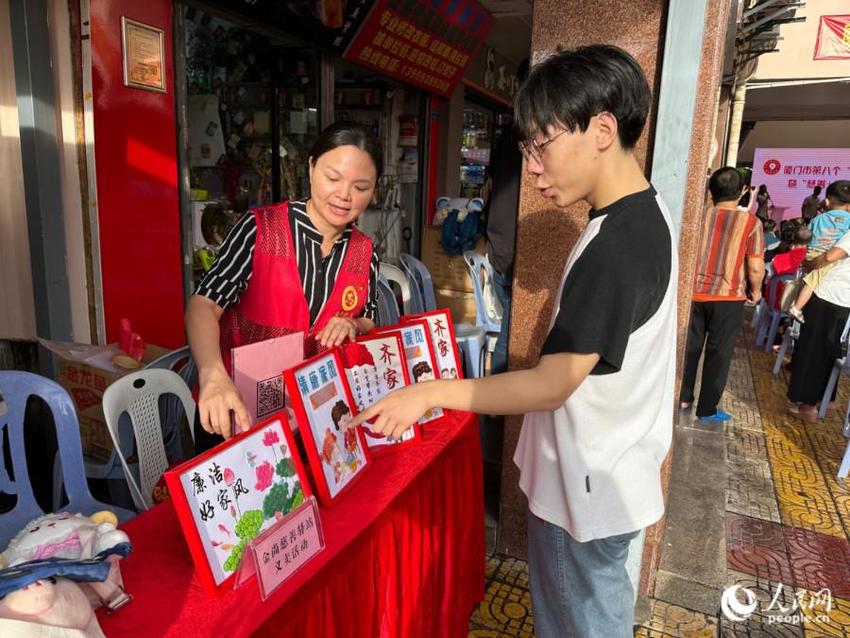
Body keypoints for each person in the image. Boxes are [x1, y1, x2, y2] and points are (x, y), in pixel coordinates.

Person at [354, 44, 677, 638]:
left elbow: (552, 383)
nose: (532, 167)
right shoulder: (636, 217)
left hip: (586, 486)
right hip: (605, 474)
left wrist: (427, 394)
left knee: (581, 623)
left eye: (541, 144)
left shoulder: (618, 246)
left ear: (602, 129)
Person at [186, 122, 382, 450]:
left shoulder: (364, 252)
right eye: (332, 178)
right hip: (237, 413)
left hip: (317, 422)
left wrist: (353, 324)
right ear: (310, 166)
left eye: (361, 187)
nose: (344, 196)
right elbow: (203, 304)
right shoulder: (259, 230)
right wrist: (212, 374)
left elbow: (371, 318)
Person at [679, 167, 765, 422]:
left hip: (693, 295)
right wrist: (756, 291)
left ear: (710, 190)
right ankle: (707, 410)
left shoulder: (696, 217)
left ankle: (682, 398)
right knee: (719, 353)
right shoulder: (751, 222)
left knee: (688, 348)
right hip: (729, 298)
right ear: (742, 192)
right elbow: (756, 266)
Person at [484, 59, 529, 374]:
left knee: (509, 334)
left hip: (501, 248)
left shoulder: (509, 133)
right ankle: (497, 411)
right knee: (511, 338)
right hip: (512, 253)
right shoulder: (524, 134)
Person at [787, 227, 850, 422]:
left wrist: (812, 263)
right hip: (845, 303)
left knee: (813, 351)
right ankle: (828, 401)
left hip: (830, 296)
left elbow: (832, 256)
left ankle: (807, 405)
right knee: (831, 351)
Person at [787, 181, 850, 324]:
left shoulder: (818, 218)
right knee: (812, 282)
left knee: (808, 279)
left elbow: (809, 235)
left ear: (827, 201)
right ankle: (796, 308)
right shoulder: (848, 220)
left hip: (811, 252)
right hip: (825, 256)